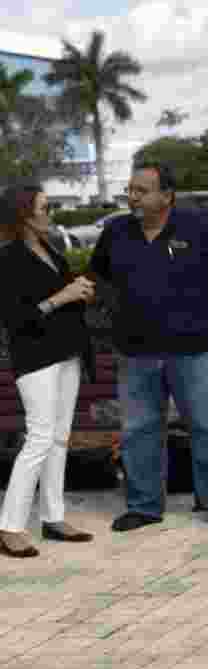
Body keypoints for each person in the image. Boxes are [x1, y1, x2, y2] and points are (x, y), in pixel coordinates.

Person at [88, 162, 208, 531]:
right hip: (136, 351)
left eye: (142, 190)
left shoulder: (198, 228)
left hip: (196, 348)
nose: (132, 197)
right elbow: (100, 275)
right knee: (139, 430)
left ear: (166, 196)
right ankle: (143, 506)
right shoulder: (116, 231)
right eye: (131, 190)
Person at [0, 185, 96, 557]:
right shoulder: (8, 258)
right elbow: (17, 319)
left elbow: (58, 299)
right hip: (36, 357)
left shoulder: (50, 250)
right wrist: (62, 297)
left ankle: (53, 517)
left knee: (59, 437)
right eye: (44, 207)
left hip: (66, 352)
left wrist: (77, 292)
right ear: (23, 213)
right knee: (40, 438)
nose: (50, 213)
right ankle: (9, 526)